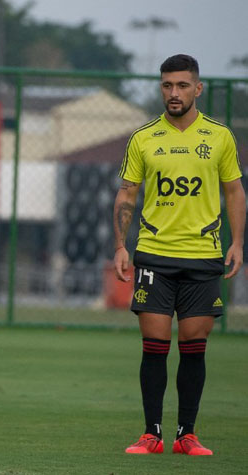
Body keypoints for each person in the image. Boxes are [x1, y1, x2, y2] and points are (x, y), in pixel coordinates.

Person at [113, 54, 245, 456]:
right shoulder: (144, 138)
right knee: (154, 342)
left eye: (182, 85)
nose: (174, 93)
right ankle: (151, 434)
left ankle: (186, 434)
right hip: (153, 253)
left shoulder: (219, 136)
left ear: (198, 88)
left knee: (193, 341)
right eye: (168, 85)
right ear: (161, 88)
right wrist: (122, 245)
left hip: (204, 256)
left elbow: (234, 192)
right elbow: (127, 194)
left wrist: (237, 242)